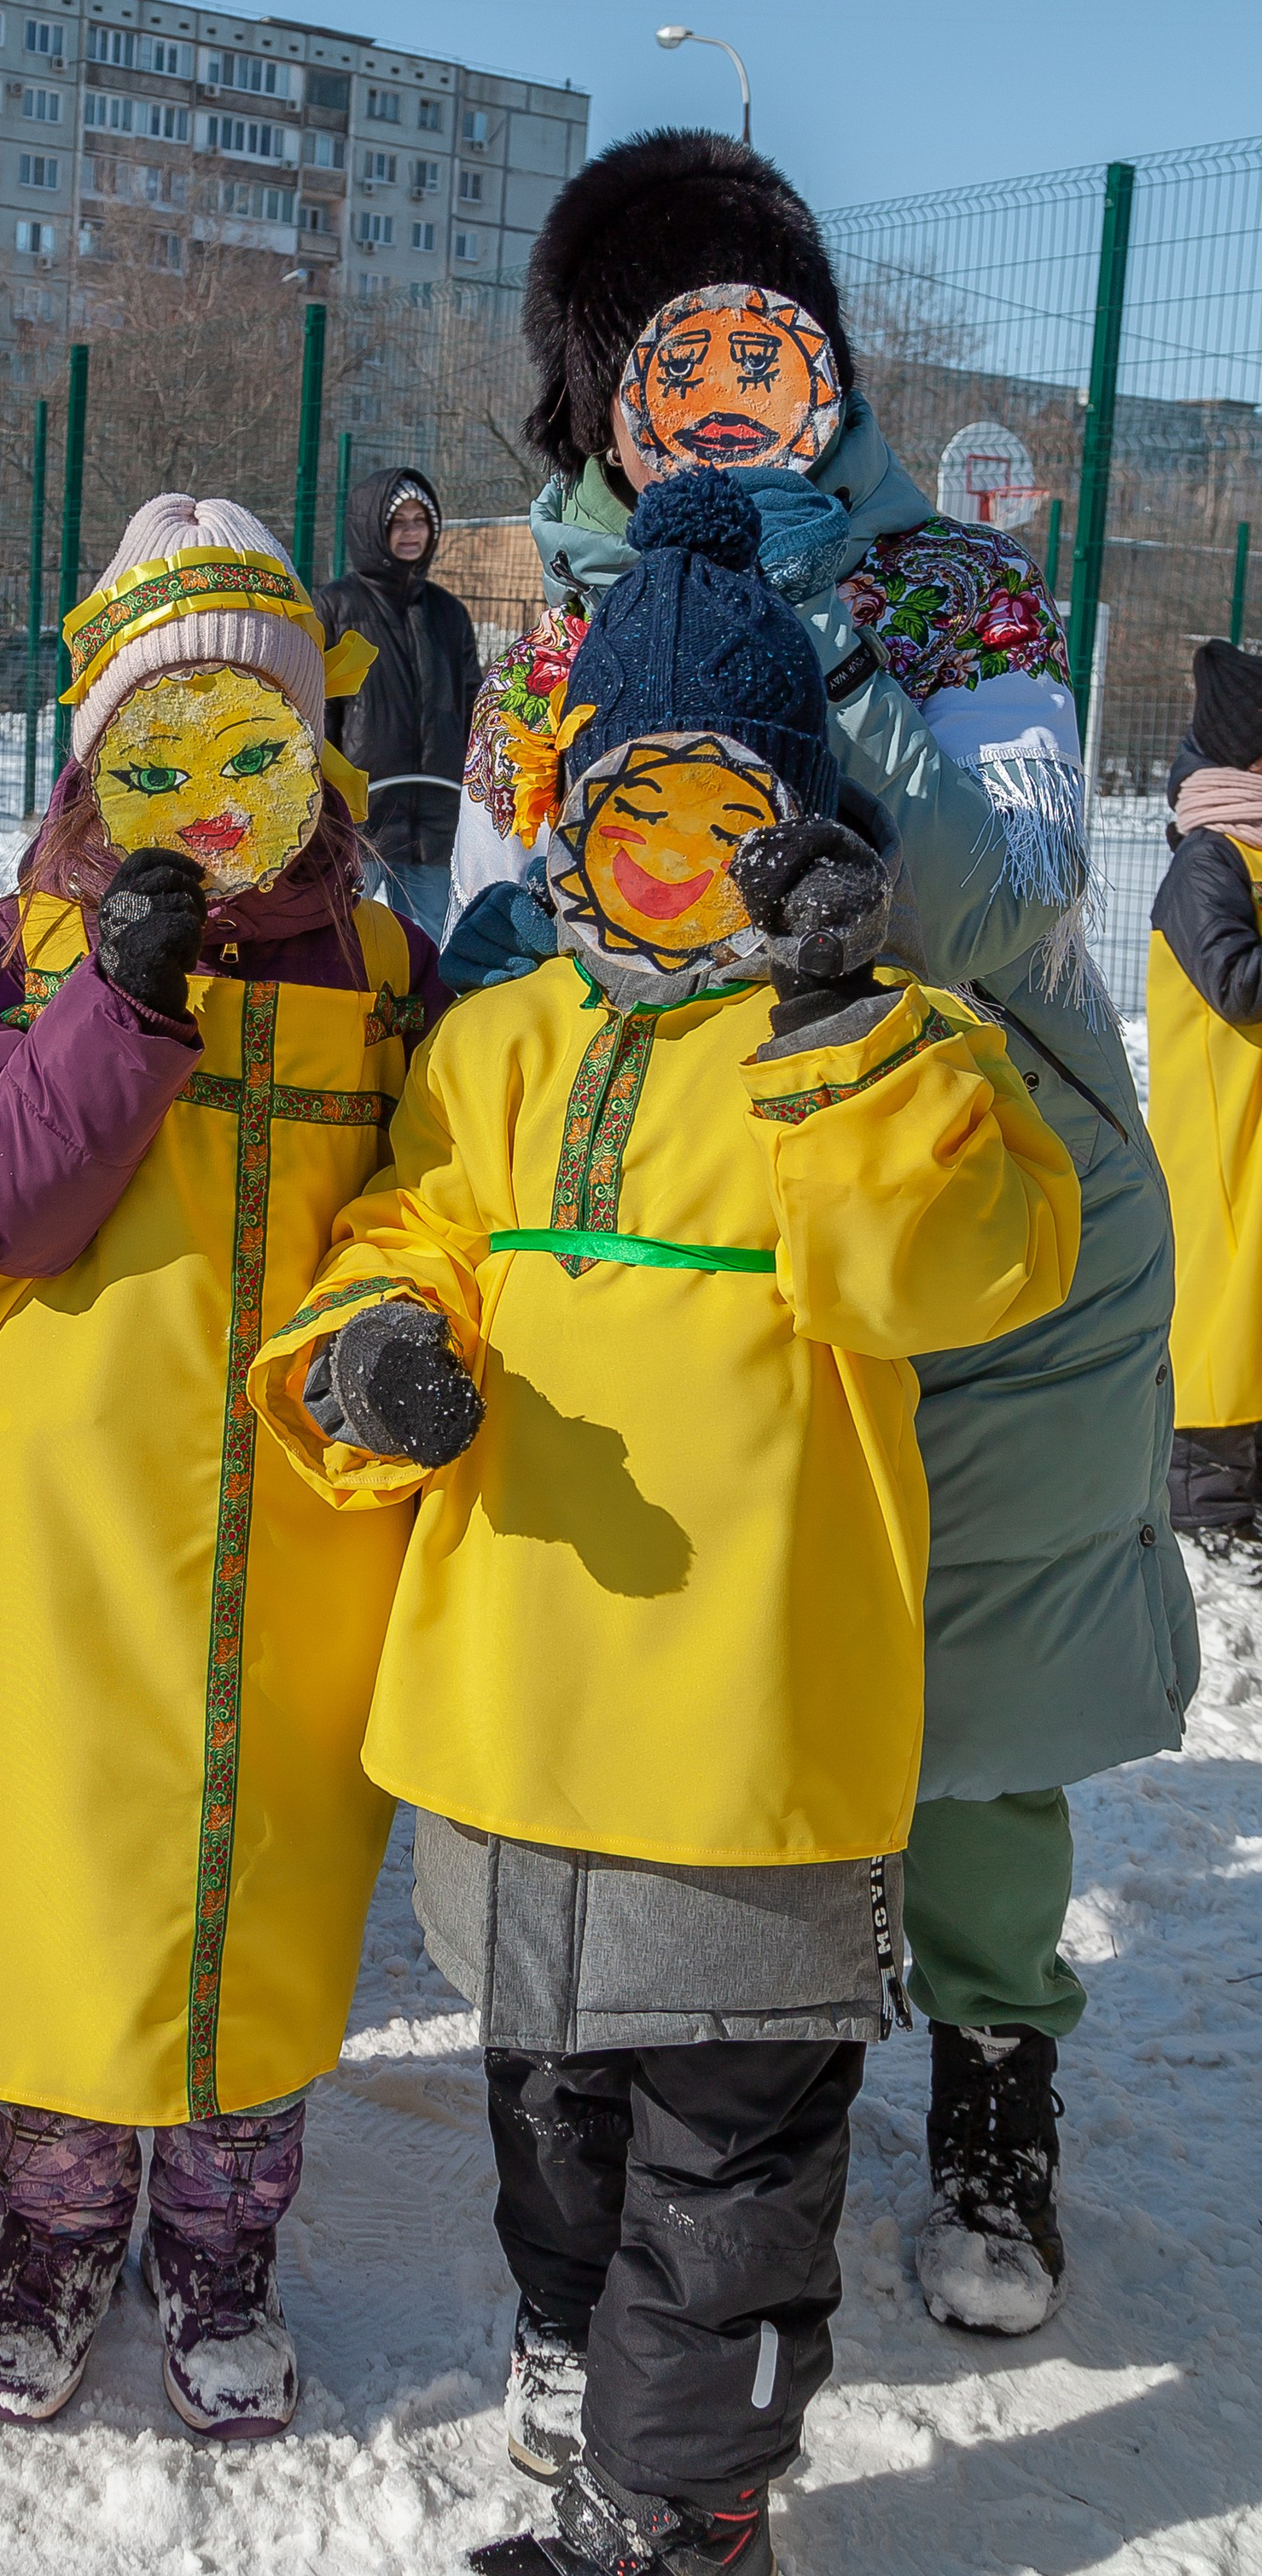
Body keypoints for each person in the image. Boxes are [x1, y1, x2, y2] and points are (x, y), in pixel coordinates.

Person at [253, 467, 1079, 2576]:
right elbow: (402, 1229)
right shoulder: (510, 1044)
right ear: (570, 817)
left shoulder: (897, 1051)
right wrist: (374, 1357)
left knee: (726, 2139)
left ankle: (695, 2501)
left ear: (807, 840)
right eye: (635, 811)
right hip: (514, 1709)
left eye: (732, 819)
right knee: (554, 2109)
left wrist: (832, 1034)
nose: (678, 861)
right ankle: (568, 2347)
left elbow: (947, 1270)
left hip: (745, 1715)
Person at [445, 131, 1195, 2337]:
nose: (711, 393)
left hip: (976, 1179)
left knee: (974, 1701)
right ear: (593, 390)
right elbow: (532, 935)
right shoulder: (553, 632)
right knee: (721, 1665)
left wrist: (818, 638)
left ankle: (990, 2076)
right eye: (650, 360)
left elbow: (1011, 893)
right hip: (690, 1218)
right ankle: (722, 2100)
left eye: (761, 345)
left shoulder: (957, 597)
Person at [0, 491, 441, 2439]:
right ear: (93, 754)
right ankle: (49, 2235)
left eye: (256, 738)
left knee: (263, 1888)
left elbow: (421, 1201)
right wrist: (117, 999)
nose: (215, 782)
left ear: (310, 753)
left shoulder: (381, 965)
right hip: (61, 1518)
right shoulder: (11, 945)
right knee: (63, 1874)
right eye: (167, 735)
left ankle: (221, 2246)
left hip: (291, 1527)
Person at [1149, 635, 1262, 1552]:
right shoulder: (1209, 860)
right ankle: (1206, 1505)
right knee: (1223, 1301)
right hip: (1223, 1132)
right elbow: (1236, 981)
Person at [314, 466, 480, 942]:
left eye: (420, 521)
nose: (411, 533)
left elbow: (472, 707)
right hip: (361, 818)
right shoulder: (335, 606)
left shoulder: (448, 614)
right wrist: (326, 803)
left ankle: (433, 1017)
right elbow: (319, 714)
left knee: (435, 945)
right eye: (398, 522)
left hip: (434, 816)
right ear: (372, 527)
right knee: (345, 937)